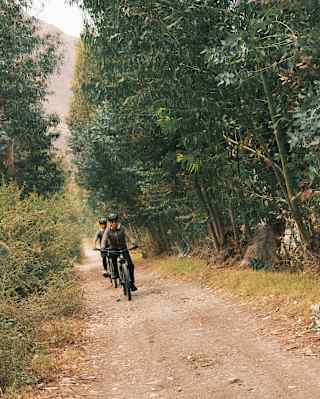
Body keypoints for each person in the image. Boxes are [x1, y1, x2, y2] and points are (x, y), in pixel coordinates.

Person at [101, 213, 138, 291]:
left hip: (123, 248)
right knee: (113, 259)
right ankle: (116, 274)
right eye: (111, 221)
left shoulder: (122, 228)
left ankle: (132, 283)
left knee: (131, 266)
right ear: (109, 222)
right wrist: (102, 248)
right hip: (113, 249)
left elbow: (129, 236)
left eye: (115, 221)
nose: (113, 223)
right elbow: (104, 240)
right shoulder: (107, 230)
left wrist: (134, 243)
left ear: (117, 221)